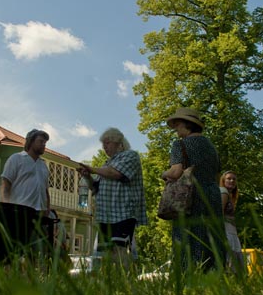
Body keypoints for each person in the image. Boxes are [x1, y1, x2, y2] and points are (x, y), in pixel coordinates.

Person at [161, 107, 226, 272]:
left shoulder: (180, 145)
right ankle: (214, 274)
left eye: (178, 124)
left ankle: (187, 275)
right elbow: (218, 175)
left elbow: (176, 172)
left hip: (190, 195)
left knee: (187, 235)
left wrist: (164, 174)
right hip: (212, 194)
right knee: (212, 235)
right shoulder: (211, 146)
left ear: (187, 124)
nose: (175, 128)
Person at [77, 128, 147, 268]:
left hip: (123, 213)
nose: (104, 147)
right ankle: (111, 283)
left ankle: (125, 282)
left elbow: (116, 174)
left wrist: (92, 169)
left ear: (119, 143)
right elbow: (95, 188)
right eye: (103, 144)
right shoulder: (106, 164)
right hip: (106, 215)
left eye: (107, 143)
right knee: (106, 254)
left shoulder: (130, 156)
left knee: (120, 250)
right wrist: (87, 176)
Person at [0, 129, 51, 215]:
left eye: (45, 143)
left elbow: (45, 191)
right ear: (31, 142)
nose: (43, 145)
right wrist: (6, 208)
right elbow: (5, 185)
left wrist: (47, 209)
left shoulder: (43, 165)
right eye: (41, 141)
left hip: (40, 214)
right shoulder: (16, 159)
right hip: (20, 211)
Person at [220, 170, 244, 273]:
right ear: (223, 181)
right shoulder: (223, 192)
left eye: (234, 179)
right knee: (230, 264)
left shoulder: (230, 196)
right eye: (229, 178)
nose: (232, 181)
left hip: (231, 232)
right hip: (226, 232)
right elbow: (219, 213)